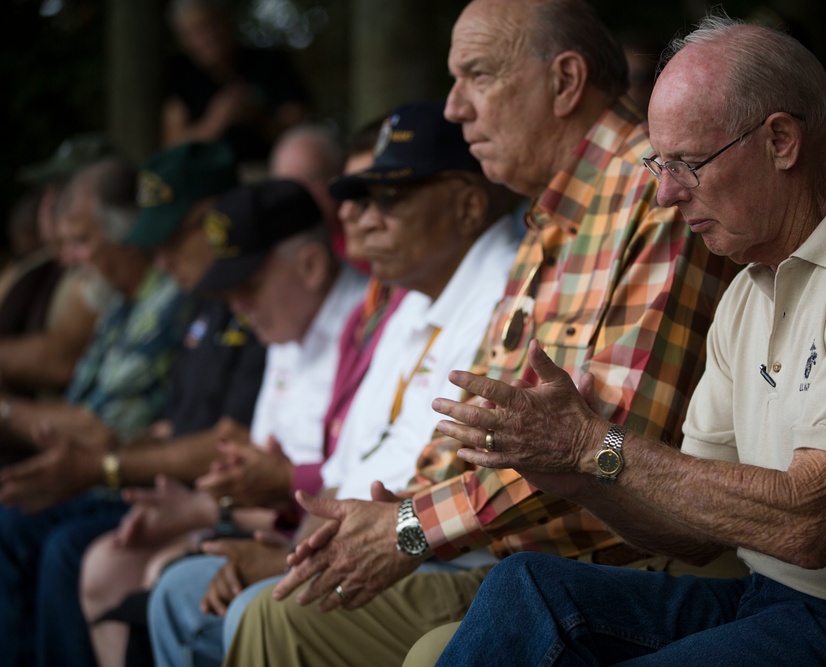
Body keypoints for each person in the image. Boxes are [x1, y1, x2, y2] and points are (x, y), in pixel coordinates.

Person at [430, 13, 826, 666]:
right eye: (657, 164)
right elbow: (692, 532)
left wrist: (594, 443)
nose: (667, 194)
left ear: (781, 140)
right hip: (773, 598)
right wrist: (579, 476)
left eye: (689, 164)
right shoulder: (747, 288)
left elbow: (808, 521)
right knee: (525, 587)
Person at [223, 1, 738, 665]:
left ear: (566, 81)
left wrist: (409, 527)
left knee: (381, 636)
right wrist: (378, 518)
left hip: (627, 569)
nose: (454, 108)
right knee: (277, 615)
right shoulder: (547, 218)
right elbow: (481, 424)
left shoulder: (654, 190)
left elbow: (603, 442)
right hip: (524, 564)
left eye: (478, 76)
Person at [148, 99, 519, 667]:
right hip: (377, 538)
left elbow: (446, 481)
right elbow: (355, 464)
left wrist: (307, 552)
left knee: (255, 610)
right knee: (177, 591)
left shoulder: (504, 287)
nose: (359, 219)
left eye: (387, 200)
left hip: (441, 555)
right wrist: (303, 540)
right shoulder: (413, 298)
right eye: (359, 199)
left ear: (468, 206)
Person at [64, 141, 268, 667]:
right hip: (184, 496)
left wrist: (107, 465)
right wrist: (112, 448)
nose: (163, 260)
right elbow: (175, 423)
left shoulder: (262, 301)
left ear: (217, 218)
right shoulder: (203, 304)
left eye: (174, 238)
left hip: (241, 505)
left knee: (87, 554)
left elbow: (232, 441)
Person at [0, 156, 194, 667]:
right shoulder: (120, 305)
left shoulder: (169, 305)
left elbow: (99, 433)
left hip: (136, 479)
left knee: (34, 534)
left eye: (81, 241)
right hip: (105, 472)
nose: (67, 259)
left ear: (127, 237)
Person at [0, 135, 118, 401]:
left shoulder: (98, 270)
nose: (47, 203)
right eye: (48, 192)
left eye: (63, 192)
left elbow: (61, 359)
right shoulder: (35, 265)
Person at [161, 0, 310, 164]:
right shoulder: (180, 74)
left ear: (227, 21)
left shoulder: (270, 63)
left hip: (271, 169)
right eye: (196, 31)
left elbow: (300, 130)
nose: (209, 36)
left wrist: (255, 117)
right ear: (183, 41)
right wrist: (216, 122)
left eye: (212, 23)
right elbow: (172, 144)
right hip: (207, 178)